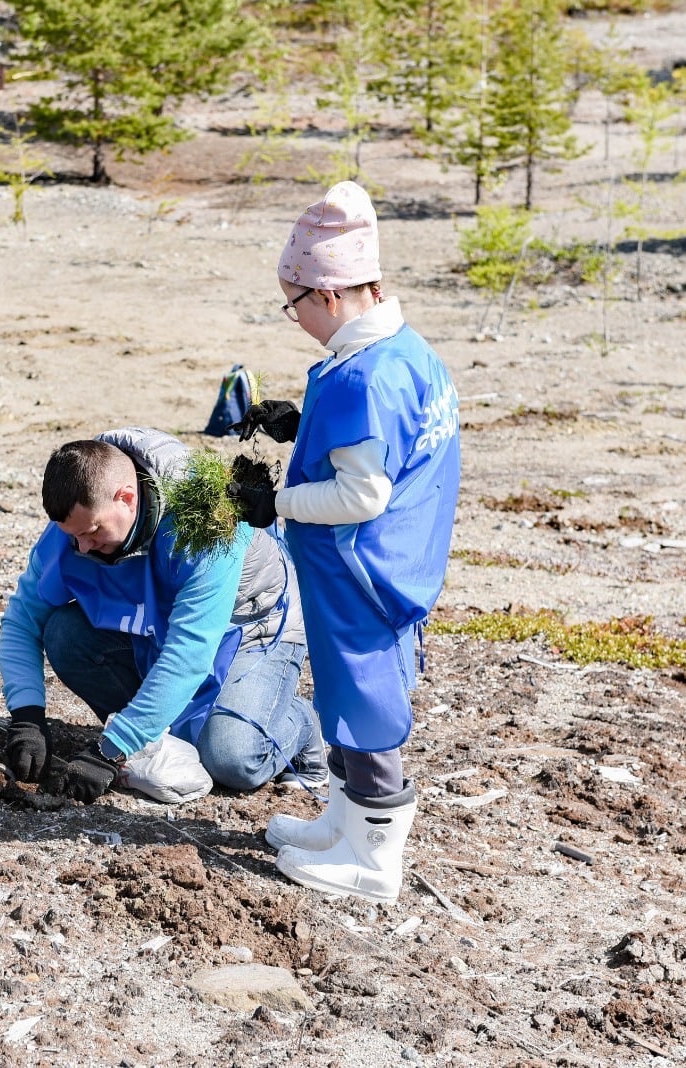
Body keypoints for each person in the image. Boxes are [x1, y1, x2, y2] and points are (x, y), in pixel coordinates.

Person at [230, 181, 461, 903]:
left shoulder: (366, 376)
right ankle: (343, 823)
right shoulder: (403, 350)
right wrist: (303, 425)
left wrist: (280, 501)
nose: (294, 318)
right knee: (342, 691)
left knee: (364, 699)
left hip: (365, 570)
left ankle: (373, 859)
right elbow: (379, 445)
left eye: (292, 303)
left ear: (328, 296)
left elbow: (363, 492)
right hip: (396, 558)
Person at [0, 427, 326, 804]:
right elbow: (23, 621)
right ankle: (162, 726)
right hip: (164, 623)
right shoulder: (79, 519)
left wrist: (113, 749)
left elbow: (188, 653)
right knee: (63, 634)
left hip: (254, 627)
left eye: (92, 532)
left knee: (230, 759)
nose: (82, 547)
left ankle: (296, 720)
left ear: (126, 498)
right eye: (74, 536)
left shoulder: (208, 525)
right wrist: (26, 716)